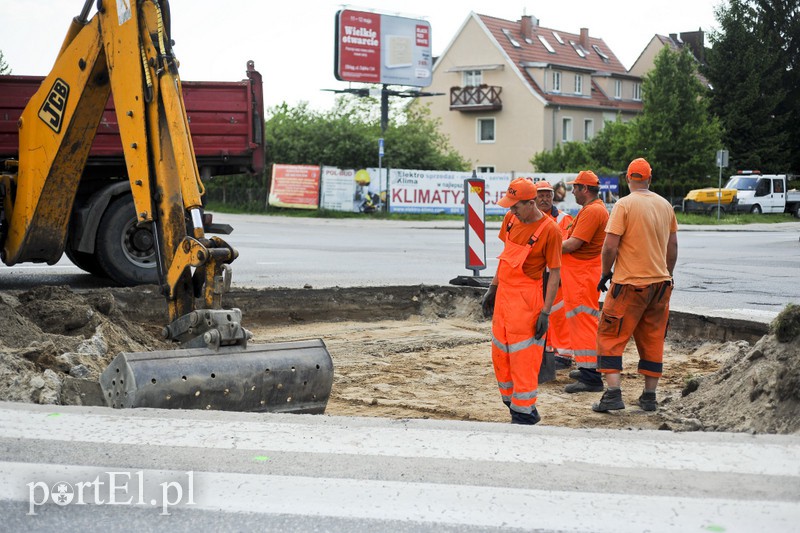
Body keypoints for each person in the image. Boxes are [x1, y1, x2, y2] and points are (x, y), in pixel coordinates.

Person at [592, 158, 678, 413]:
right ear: (650, 179)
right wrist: (668, 274)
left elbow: (610, 245)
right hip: (660, 284)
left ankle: (613, 394)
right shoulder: (665, 206)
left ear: (628, 179)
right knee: (653, 339)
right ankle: (649, 397)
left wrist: (606, 272)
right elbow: (672, 247)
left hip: (629, 284)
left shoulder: (624, 204)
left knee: (610, 334)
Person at [481, 178, 562, 425]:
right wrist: (492, 288)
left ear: (531, 202)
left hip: (528, 302)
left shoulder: (550, 230)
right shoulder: (511, 219)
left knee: (524, 360)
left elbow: (555, 273)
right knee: (501, 355)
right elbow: (505, 257)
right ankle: (513, 406)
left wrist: (545, 313)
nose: (511, 210)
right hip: (505, 298)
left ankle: (524, 413)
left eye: (515, 206)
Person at [561, 170, 609, 394]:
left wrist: (547, 246)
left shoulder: (593, 212)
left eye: (575, 188)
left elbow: (573, 244)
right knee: (580, 323)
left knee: (583, 324)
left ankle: (591, 377)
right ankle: (586, 367)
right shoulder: (591, 210)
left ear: (585, 189)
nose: (572, 192)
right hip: (580, 274)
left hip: (582, 275)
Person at [534, 181, 573, 370]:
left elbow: (566, 246)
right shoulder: (530, 218)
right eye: (540, 195)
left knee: (558, 314)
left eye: (547, 195)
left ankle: (564, 354)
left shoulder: (564, 219)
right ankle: (548, 350)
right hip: (537, 276)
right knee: (540, 313)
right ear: (533, 198)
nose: (544, 199)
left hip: (556, 275)